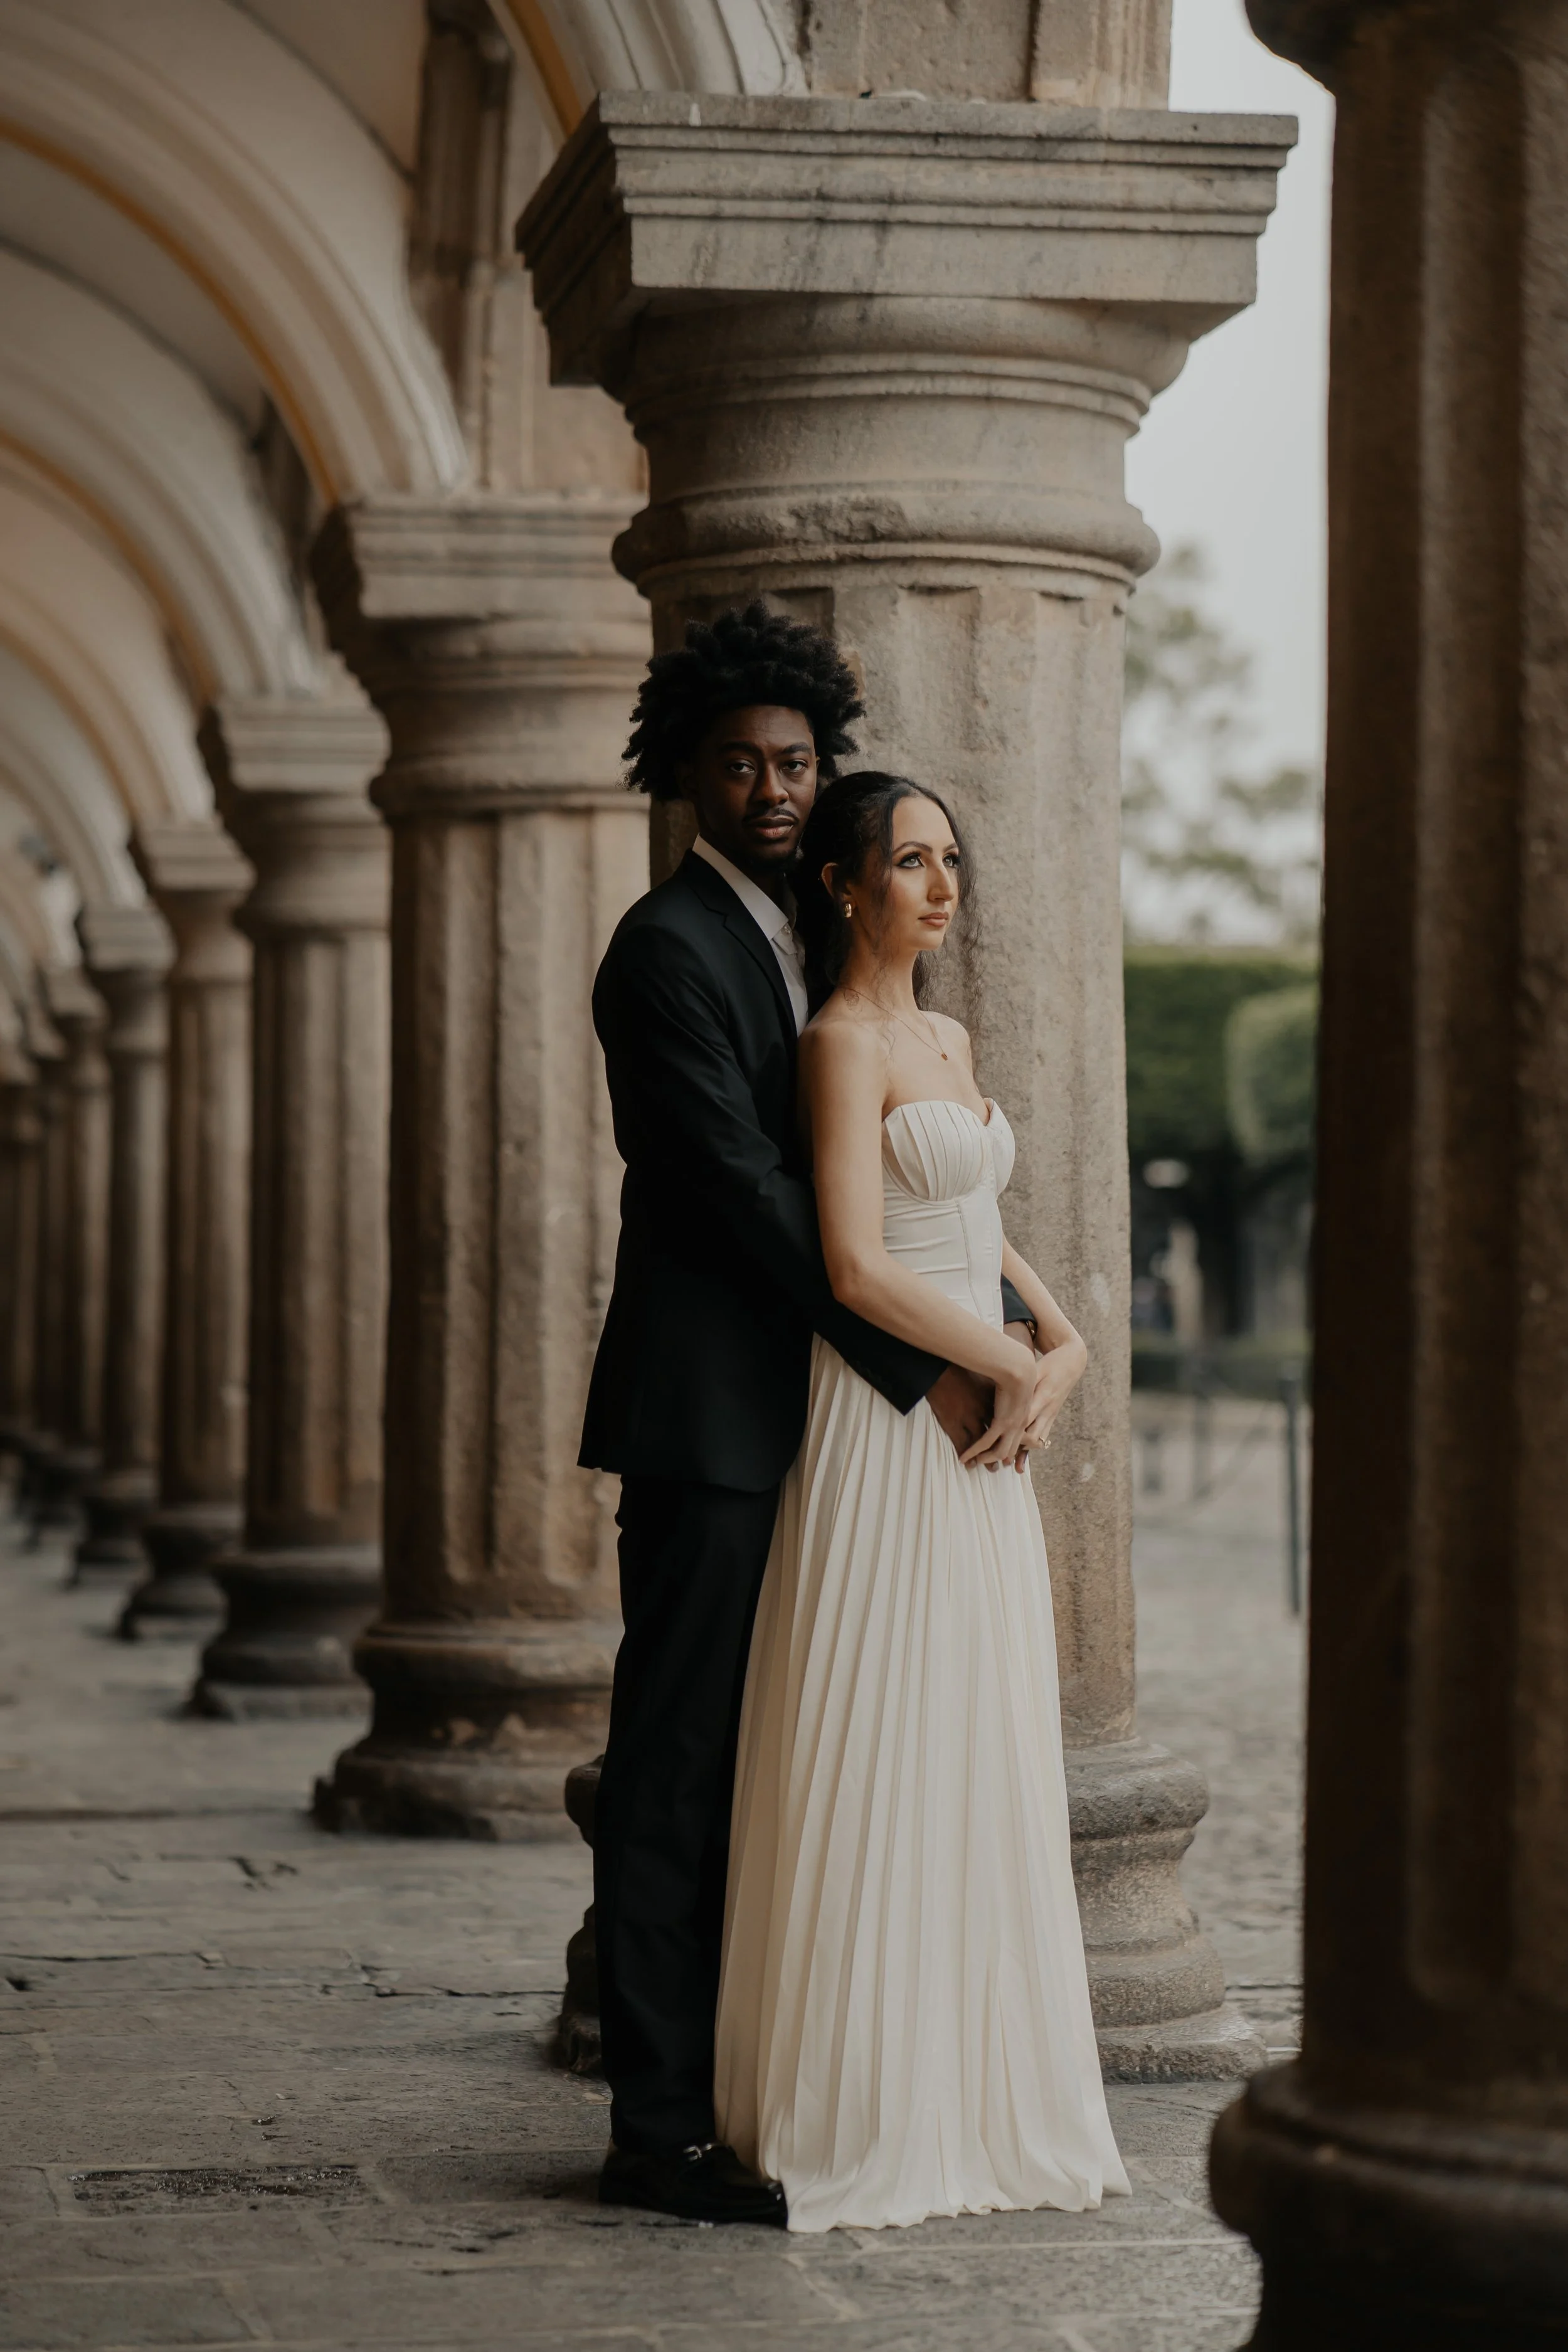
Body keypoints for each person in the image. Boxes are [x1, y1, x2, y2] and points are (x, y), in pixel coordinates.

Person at [581, 605, 1050, 2225]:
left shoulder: (808, 929)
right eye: (739, 762)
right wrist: (934, 1359)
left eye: (793, 761)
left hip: (828, 1415)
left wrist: (1017, 1328)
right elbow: (733, 1187)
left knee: (798, 1750)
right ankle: (654, 2126)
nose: (773, 786)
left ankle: (772, 2070)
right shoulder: (662, 950)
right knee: (680, 1758)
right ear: (684, 775)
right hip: (714, 1411)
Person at [713, 768, 1128, 2232]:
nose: (940, 886)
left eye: (949, 859)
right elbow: (850, 1266)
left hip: (982, 1412)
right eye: (907, 860)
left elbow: (974, 1226)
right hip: (885, 1428)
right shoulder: (833, 1043)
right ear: (841, 885)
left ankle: (982, 2088)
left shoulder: (946, 1034)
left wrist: (1057, 1339)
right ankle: (867, 2099)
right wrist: (995, 1362)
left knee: (978, 1732)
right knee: (883, 1727)